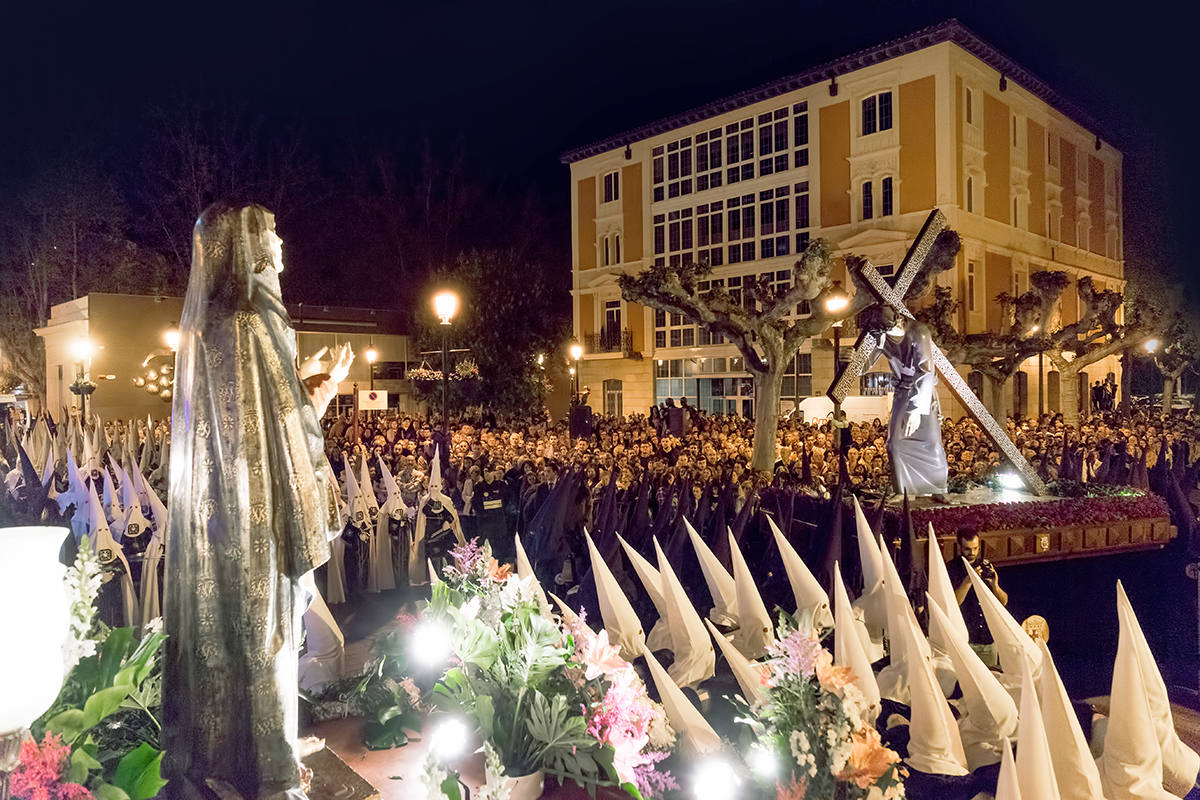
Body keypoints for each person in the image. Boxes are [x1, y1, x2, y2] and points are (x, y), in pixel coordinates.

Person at [164, 202, 351, 800]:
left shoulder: (207, 326)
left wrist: (298, 377)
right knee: (264, 634)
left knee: (226, 641)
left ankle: (231, 754)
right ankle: (269, 766)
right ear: (250, 251)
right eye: (273, 237)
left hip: (218, 520)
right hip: (258, 522)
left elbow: (247, 424)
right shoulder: (254, 321)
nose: (282, 250)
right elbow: (284, 429)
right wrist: (319, 398)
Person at [873, 305, 948, 498]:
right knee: (895, 444)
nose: (889, 334)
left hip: (922, 394)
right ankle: (905, 490)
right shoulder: (879, 334)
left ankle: (938, 487)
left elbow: (925, 370)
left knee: (931, 442)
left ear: (898, 319)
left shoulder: (919, 331)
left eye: (890, 329)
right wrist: (848, 359)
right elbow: (864, 363)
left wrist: (916, 409)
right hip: (901, 392)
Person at [945, 528, 1008, 667]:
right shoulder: (951, 568)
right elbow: (953, 603)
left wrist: (995, 585)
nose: (972, 553)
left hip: (988, 640)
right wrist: (968, 581)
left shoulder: (986, 566)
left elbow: (1003, 601)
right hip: (965, 641)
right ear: (959, 547)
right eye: (967, 549)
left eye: (975, 548)